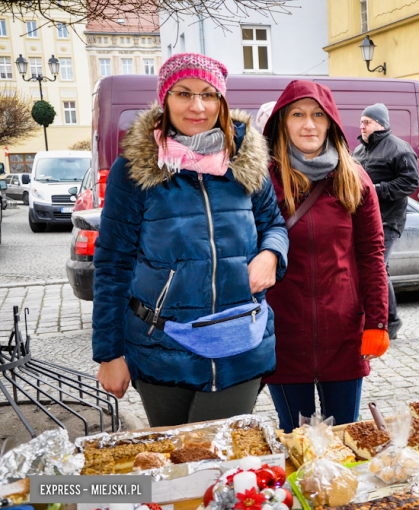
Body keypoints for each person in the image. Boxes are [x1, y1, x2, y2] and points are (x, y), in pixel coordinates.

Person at [92, 54, 289, 427]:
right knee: (176, 466)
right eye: (184, 93)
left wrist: (271, 253)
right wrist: (109, 354)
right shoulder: (135, 170)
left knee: (219, 461)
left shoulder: (246, 161)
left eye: (209, 94)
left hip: (240, 343)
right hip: (162, 346)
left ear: (222, 101)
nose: (198, 106)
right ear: (165, 99)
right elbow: (112, 262)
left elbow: (274, 224)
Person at [263, 80, 389, 433]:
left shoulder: (355, 179)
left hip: (344, 335)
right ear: (282, 123)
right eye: (298, 115)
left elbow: (371, 255)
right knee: (296, 438)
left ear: (331, 121)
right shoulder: (265, 180)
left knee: (344, 436)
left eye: (318, 115)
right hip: (284, 337)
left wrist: (376, 322)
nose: (309, 125)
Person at [352, 103, 419, 340]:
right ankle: (376, 318)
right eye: (361, 121)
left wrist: (376, 190)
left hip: (388, 220)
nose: (362, 125)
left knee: (379, 267)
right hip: (363, 219)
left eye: (367, 121)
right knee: (373, 268)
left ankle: (390, 321)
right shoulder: (358, 152)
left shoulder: (400, 149)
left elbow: (411, 182)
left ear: (381, 124)